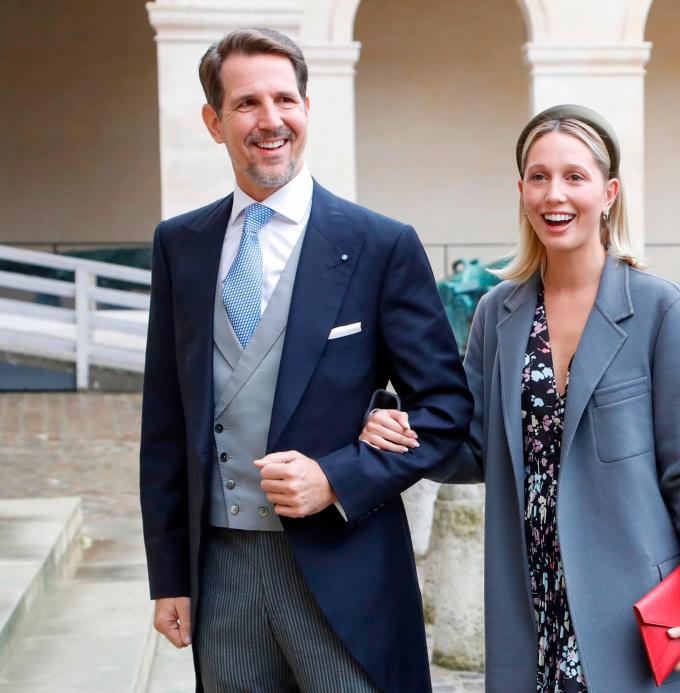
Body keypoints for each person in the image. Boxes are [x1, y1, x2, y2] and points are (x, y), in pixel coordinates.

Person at [360, 104, 680, 692]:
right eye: (538, 177)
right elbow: (476, 450)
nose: (553, 194)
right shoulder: (497, 314)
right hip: (529, 601)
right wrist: (397, 425)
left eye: (574, 177)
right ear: (521, 190)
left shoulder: (662, 310)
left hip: (635, 606)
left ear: (609, 192)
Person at [139, 27, 473, 692]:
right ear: (214, 122)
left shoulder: (379, 244)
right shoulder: (182, 244)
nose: (271, 121)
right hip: (222, 575)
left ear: (307, 110)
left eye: (285, 100)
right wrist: (169, 574)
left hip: (344, 571)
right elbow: (166, 421)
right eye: (246, 104)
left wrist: (338, 475)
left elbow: (446, 409)